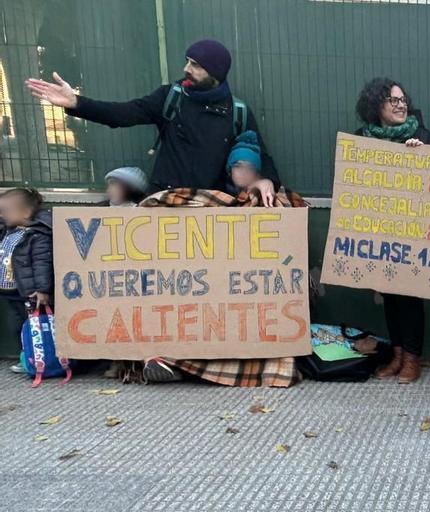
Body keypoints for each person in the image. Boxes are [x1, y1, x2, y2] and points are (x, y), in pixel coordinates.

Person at [26, 39, 282, 200]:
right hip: (163, 203)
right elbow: (123, 114)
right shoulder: (170, 97)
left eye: (196, 65)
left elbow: (261, 154)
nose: (186, 69)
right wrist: (77, 103)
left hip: (210, 207)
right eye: (187, 61)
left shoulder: (237, 112)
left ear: (215, 73)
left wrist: (267, 179)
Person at [352, 77, 430, 384]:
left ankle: (413, 359)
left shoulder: (421, 135)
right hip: (379, 230)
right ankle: (398, 355)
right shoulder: (361, 139)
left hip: (413, 232)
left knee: (411, 295)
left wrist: (422, 155)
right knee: (388, 293)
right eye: (393, 100)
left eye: (403, 100)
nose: (401, 105)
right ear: (376, 105)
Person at [0, 188, 53, 346]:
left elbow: (42, 263)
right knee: (16, 327)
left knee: (33, 327)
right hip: (9, 293)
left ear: (25, 212)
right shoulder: (8, 231)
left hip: (28, 294)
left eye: (6, 211)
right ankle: (27, 357)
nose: (2, 215)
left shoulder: (36, 235)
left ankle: (38, 358)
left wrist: (43, 290)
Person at [225, 130, 265, 196]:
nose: (244, 172)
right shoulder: (215, 198)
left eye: (250, 168)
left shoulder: (263, 199)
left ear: (256, 174)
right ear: (230, 171)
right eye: (238, 166)